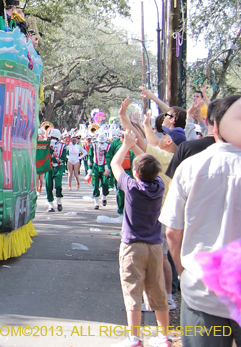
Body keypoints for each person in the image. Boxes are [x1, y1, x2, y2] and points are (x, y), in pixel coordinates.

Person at [160, 95, 241, 347]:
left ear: (213, 125)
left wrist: (184, 273)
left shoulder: (190, 167)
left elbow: (172, 232)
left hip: (202, 292)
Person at [110, 129, 170, 347]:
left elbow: (115, 165)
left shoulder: (132, 188)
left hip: (132, 246)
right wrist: (134, 144)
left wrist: (126, 144)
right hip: (154, 246)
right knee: (157, 289)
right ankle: (164, 336)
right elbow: (146, 166)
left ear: (135, 172)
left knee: (132, 289)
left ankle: (134, 337)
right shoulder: (160, 187)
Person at [87, 131, 112, 209]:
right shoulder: (94, 145)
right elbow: (90, 156)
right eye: (100, 142)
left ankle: (104, 196)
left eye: (102, 142)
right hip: (96, 166)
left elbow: (110, 157)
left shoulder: (108, 146)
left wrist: (108, 167)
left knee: (105, 183)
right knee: (95, 184)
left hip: (105, 166)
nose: (101, 143)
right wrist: (89, 168)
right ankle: (96, 202)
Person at [45, 128, 66, 212]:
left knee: (58, 185)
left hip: (58, 167)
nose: (52, 139)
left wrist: (56, 159)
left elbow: (63, 158)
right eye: (51, 138)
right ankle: (50, 204)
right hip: (49, 167)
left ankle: (59, 201)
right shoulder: (47, 145)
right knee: (48, 186)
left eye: (54, 137)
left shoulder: (63, 145)